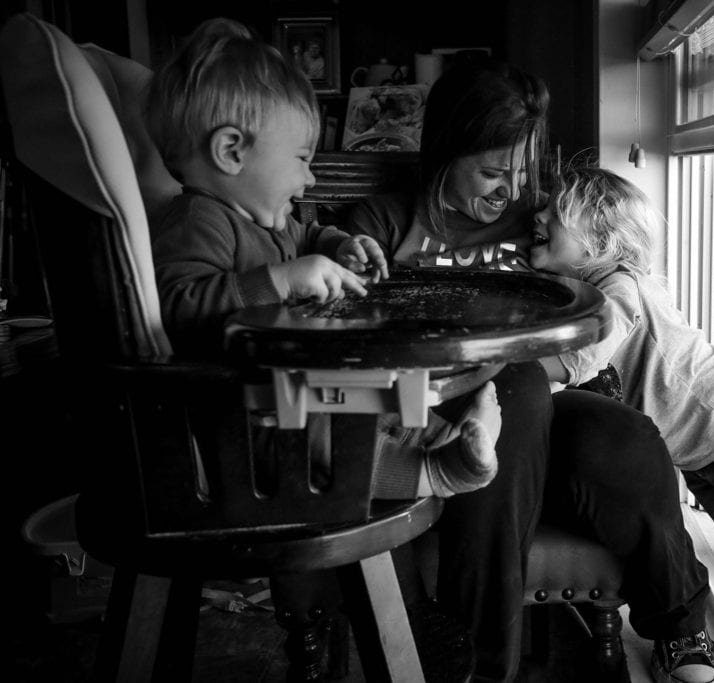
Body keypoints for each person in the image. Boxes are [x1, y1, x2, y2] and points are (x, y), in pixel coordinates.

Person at [347, 59, 714, 683]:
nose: (511, 191)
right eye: (493, 171)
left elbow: (615, 267)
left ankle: (679, 628)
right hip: (430, 409)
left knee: (625, 437)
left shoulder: (543, 225)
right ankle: (480, 662)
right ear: (444, 150)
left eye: (521, 172)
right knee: (512, 384)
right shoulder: (382, 225)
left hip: (541, 405)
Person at [145, 17, 502, 503]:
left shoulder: (267, 221)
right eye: (301, 159)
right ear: (231, 151)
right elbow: (176, 309)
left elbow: (311, 233)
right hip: (241, 424)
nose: (310, 179)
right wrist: (280, 279)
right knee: (337, 447)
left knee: (380, 402)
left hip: (287, 394)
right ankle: (441, 473)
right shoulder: (196, 220)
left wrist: (339, 246)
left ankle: (451, 440)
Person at [531, 165, 714, 582]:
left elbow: (577, 362)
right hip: (699, 454)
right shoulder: (590, 288)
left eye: (555, 213)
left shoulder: (618, 289)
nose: (539, 217)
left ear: (599, 242)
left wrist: (507, 361)